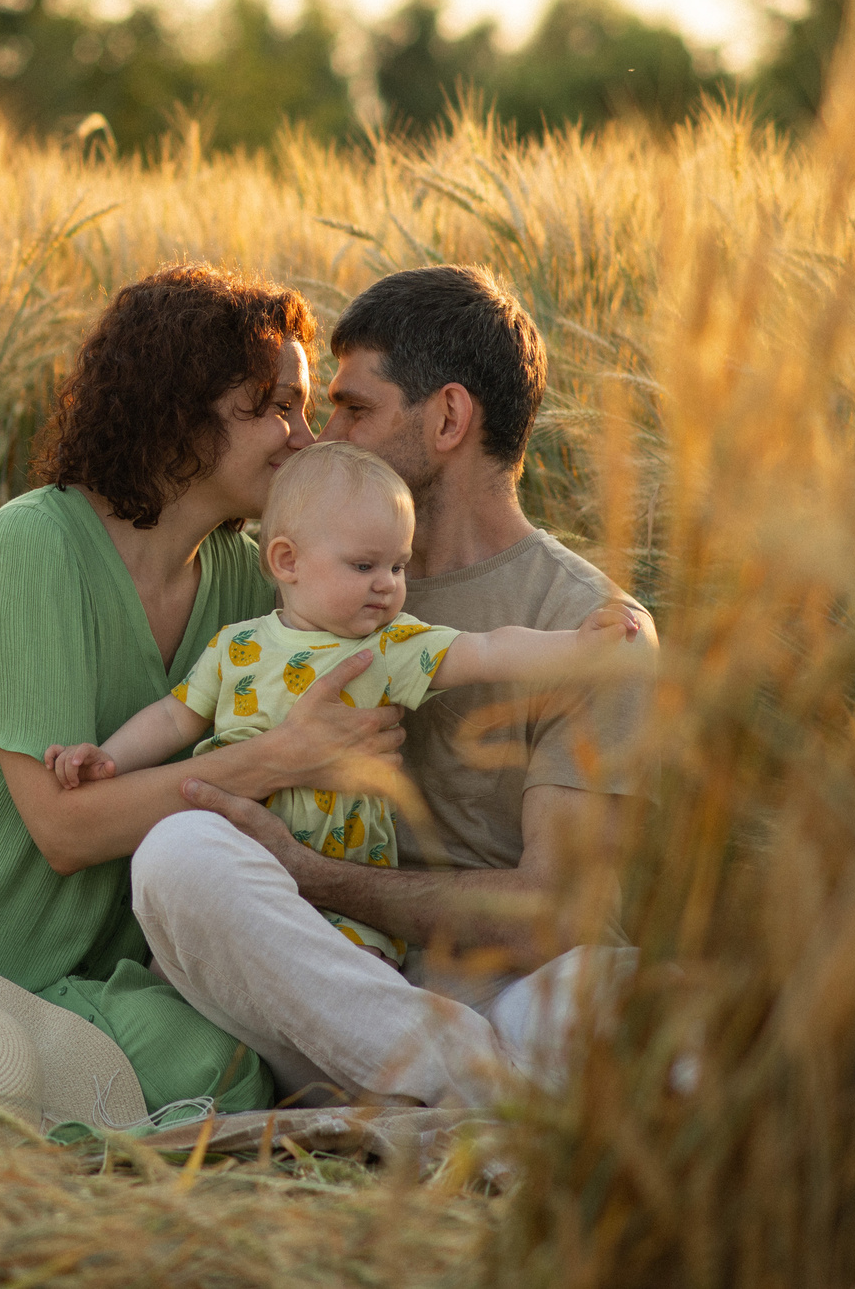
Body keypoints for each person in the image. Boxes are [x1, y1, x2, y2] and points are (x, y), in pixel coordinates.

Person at [0, 263, 414, 1117]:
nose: (304, 436)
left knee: (227, 1065)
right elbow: (63, 826)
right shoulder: (31, 545)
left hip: (92, 977)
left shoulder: (249, 578)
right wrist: (279, 757)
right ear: (174, 412)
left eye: (303, 407)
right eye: (272, 406)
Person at [130, 264, 652, 1108]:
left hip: (503, 991)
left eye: (354, 407)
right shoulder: (303, 569)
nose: (318, 435)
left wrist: (314, 872)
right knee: (174, 859)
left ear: (447, 416)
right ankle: (485, 1101)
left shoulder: (587, 626)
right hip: (326, 978)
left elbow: (556, 913)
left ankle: (435, 1093)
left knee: (627, 993)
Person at [44, 440, 649, 968]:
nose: (387, 582)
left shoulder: (391, 645)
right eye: (364, 565)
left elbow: (489, 650)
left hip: (345, 892)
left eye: (397, 565)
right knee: (180, 875)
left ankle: (384, 1030)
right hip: (243, 869)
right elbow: (173, 717)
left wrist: (577, 644)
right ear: (287, 562)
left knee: (351, 968)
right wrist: (109, 759)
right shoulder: (237, 644)